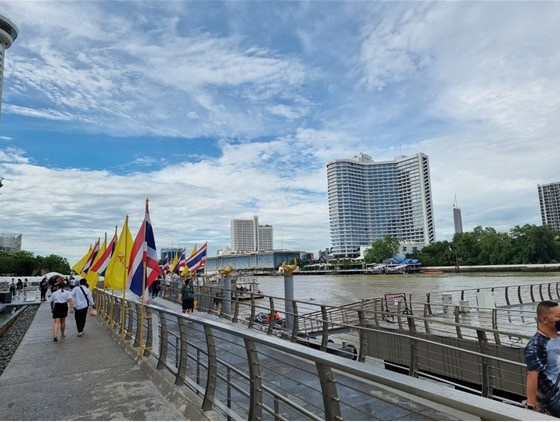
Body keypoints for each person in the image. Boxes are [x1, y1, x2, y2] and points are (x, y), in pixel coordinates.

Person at [525, 300, 560, 416]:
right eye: (558, 316)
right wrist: (531, 406)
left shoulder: (557, 338)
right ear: (544, 320)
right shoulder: (536, 344)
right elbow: (532, 376)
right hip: (555, 398)